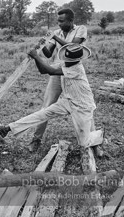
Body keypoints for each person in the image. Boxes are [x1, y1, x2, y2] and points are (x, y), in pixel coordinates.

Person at [0, 43, 103, 157]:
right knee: (42, 114)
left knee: (83, 143)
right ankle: (7, 128)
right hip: (68, 101)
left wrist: (36, 56)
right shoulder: (66, 63)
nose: (66, 61)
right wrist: (36, 58)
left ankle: (99, 137)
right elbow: (44, 70)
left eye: (69, 59)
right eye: (66, 58)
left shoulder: (77, 68)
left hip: (82, 106)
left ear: (77, 60)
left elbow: (51, 71)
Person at [28, 8, 89, 152]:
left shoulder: (80, 29)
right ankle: (36, 139)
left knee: (84, 106)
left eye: (62, 21)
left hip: (72, 71)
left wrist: (54, 38)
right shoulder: (57, 33)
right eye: (58, 21)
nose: (59, 24)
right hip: (57, 71)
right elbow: (49, 54)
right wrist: (43, 45)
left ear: (70, 21)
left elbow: (72, 48)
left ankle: (93, 141)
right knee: (47, 106)